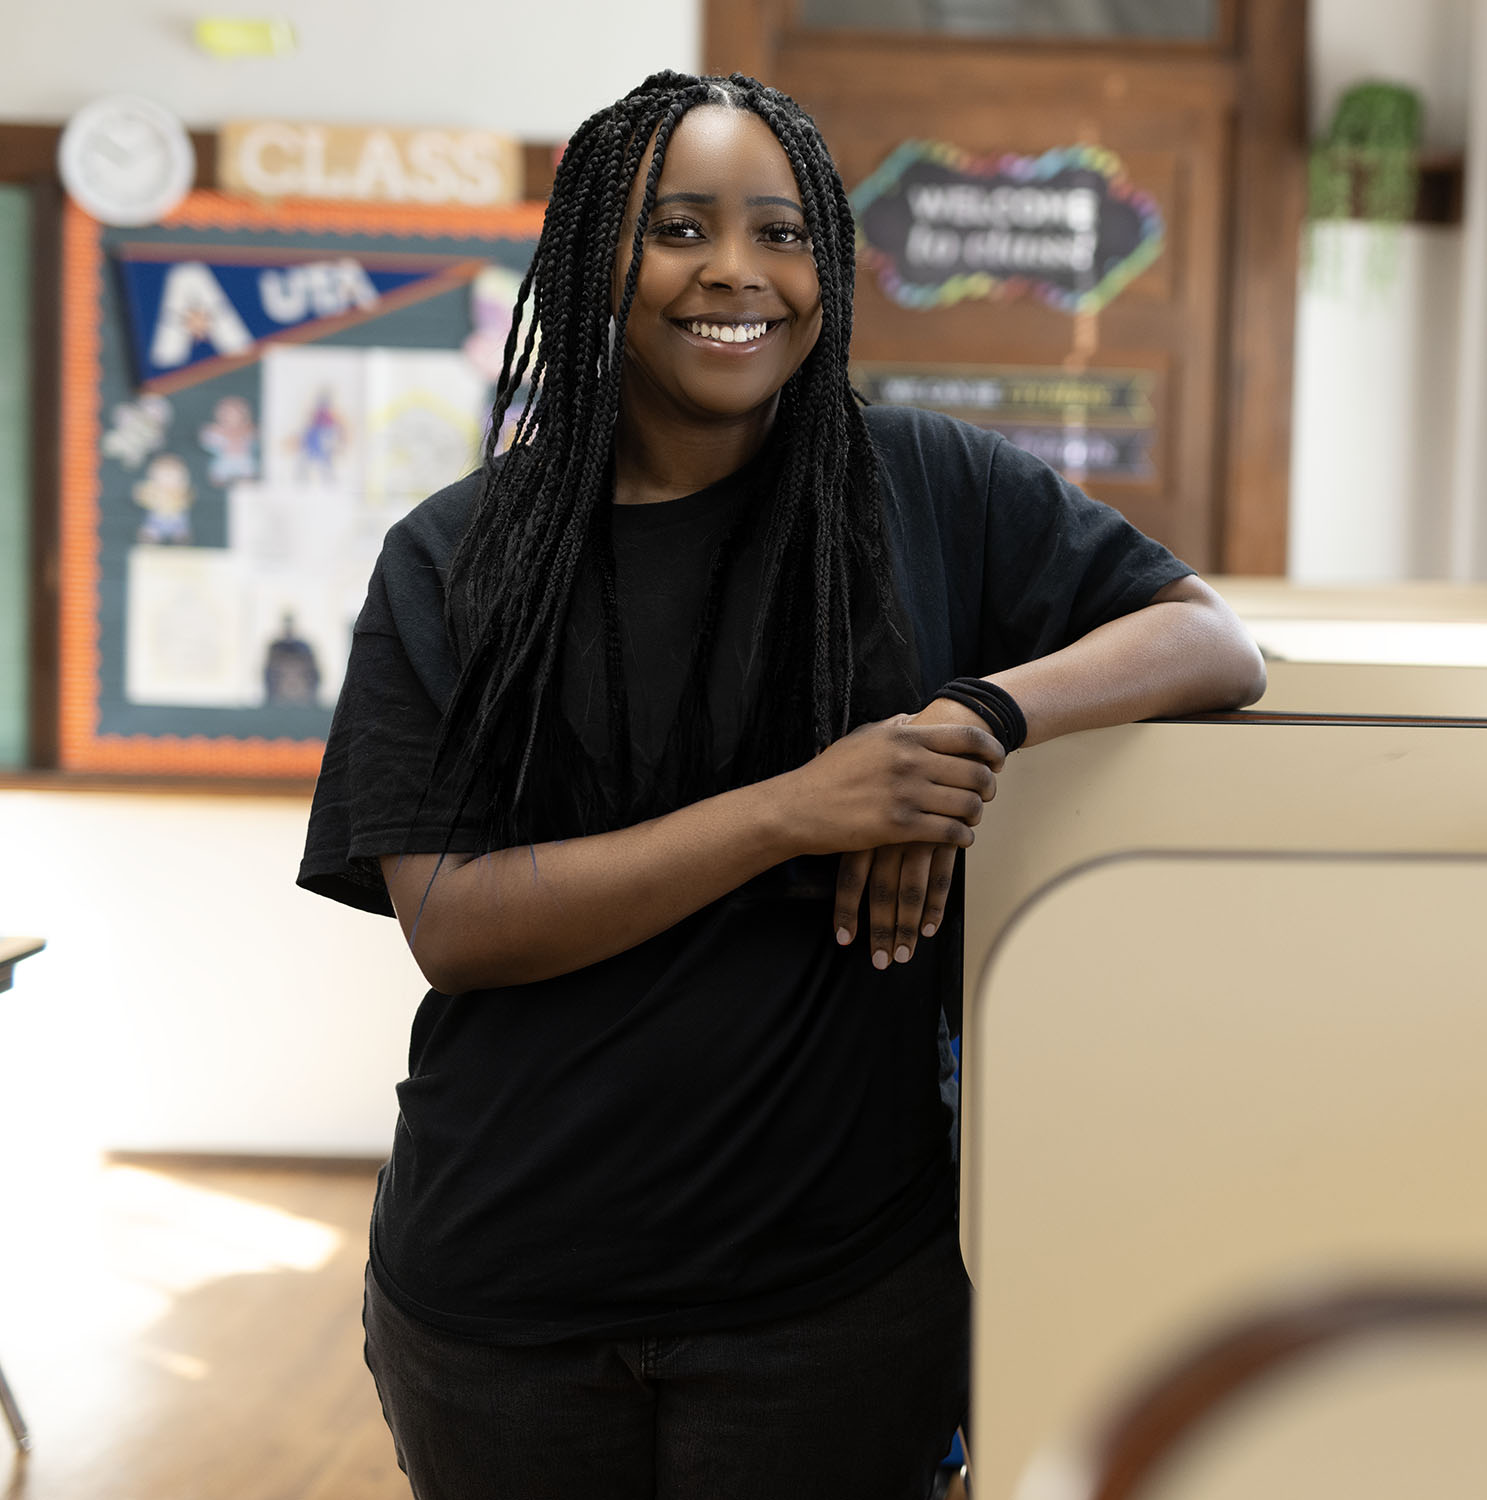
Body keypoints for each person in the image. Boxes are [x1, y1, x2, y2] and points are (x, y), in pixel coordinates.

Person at [296, 70, 1264, 1500]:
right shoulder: (459, 557)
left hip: (836, 1293)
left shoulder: (927, 487)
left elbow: (1209, 641)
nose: (736, 273)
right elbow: (455, 921)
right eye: (678, 228)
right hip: (505, 1291)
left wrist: (974, 714)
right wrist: (793, 812)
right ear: (588, 260)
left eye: (784, 230)